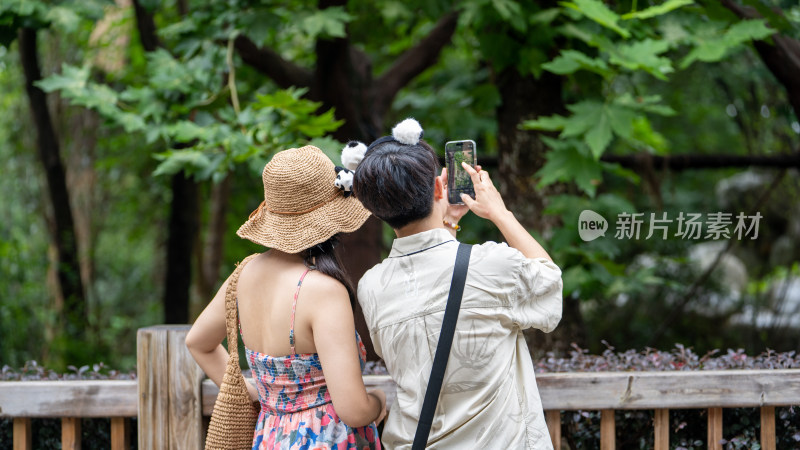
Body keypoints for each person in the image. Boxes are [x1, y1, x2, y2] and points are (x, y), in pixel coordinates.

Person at [350, 119, 563, 449]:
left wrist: (446, 221)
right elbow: (549, 286)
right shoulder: (493, 265)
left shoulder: (371, 286)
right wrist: (500, 213)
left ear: (375, 209)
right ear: (438, 189)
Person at [186, 145, 385, 450]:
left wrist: (256, 392)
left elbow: (198, 341)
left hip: (268, 436)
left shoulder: (244, 273)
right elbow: (354, 411)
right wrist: (380, 401)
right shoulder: (323, 291)